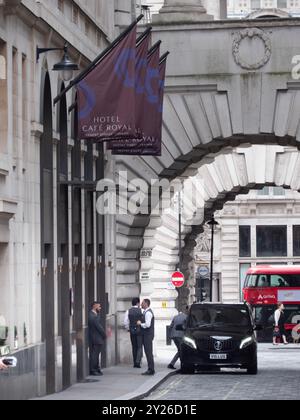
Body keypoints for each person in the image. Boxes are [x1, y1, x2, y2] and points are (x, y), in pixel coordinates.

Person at [88, 302, 107, 376]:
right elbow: (99, 327)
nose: (100, 308)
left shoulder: (95, 315)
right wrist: (104, 335)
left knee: (96, 354)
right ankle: (93, 369)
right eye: (99, 306)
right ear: (94, 306)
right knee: (95, 355)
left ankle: (96, 368)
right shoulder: (92, 316)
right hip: (96, 338)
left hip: (96, 338)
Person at [124, 297, 143, 368]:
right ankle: (138, 362)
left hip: (132, 330)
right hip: (140, 330)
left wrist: (128, 328)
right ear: (138, 303)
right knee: (139, 346)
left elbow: (126, 321)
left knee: (134, 346)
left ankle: (135, 362)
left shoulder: (128, 311)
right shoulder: (141, 310)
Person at [137, 299, 155, 376]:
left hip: (147, 335)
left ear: (146, 304)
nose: (141, 304)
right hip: (146, 335)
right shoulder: (146, 312)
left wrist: (140, 323)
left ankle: (151, 369)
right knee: (148, 352)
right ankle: (150, 369)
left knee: (148, 352)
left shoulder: (148, 313)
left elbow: (148, 325)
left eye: (143, 303)